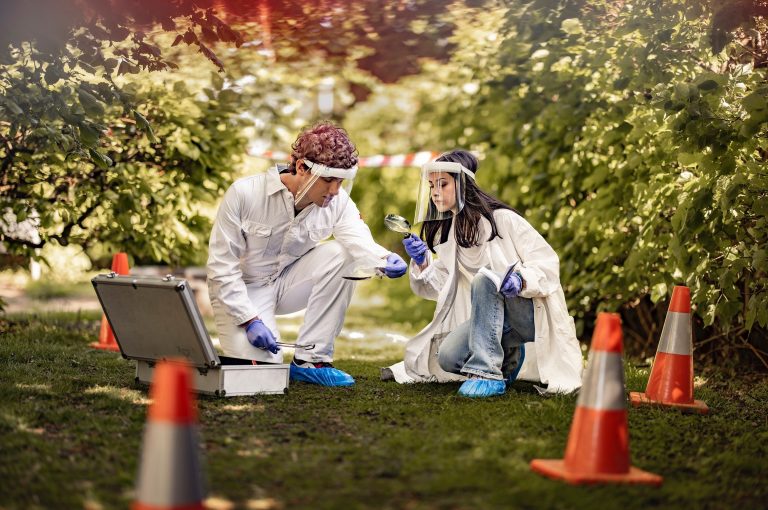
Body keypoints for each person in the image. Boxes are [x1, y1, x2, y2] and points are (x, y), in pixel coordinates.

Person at [207, 122, 407, 387]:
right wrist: (249, 320)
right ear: (301, 167)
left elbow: (358, 238)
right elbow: (221, 268)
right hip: (243, 291)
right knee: (262, 376)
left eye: (341, 181)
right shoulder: (245, 194)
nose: (335, 190)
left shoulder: (337, 201)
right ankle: (257, 347)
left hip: (289, 283)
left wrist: (384, 260)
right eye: (328, 180)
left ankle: (311, 360)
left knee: (341, 253)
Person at [383, 149, 582, 397]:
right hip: (492, 323)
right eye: (431, 185)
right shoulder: (449, 233)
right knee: (447, 357)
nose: (434, 191)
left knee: (486, 278)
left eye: (442, 184)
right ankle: (508, 359)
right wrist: (423, 262)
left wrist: (521, 279)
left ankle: (486, 373)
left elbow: (548, 263)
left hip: (528, 315)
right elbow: (442, 287)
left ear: (462, 184)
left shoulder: (503, 220)